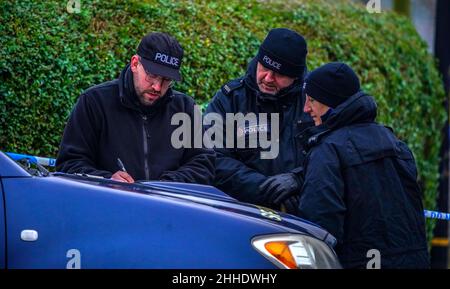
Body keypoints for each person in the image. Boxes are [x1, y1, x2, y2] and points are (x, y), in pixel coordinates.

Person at [297, 62, 429, 268]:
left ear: (332, 103)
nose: (306, 108)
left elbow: (319, 228)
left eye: (312, 100)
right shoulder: (394, 142)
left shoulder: (328, 150)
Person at [56, 32, 215, 184]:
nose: (157, 87)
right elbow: (69, 164)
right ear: (134, 64)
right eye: (152, 75)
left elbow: (203, 164)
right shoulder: (94, 102)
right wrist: (106, 180)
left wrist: (164, 185)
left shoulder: (185, 108)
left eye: (167, 80)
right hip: (109, 205)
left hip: (168, 206)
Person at [205, 28, 313, 213]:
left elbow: (335, 154)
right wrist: (267, 190)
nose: (268, 78)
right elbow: (213, 157)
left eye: (279, 74)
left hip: (305, 215)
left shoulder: (314, 101)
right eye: (264, 67)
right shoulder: (230, 99)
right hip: (246, 213)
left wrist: (299, 179)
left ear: (295, 77)